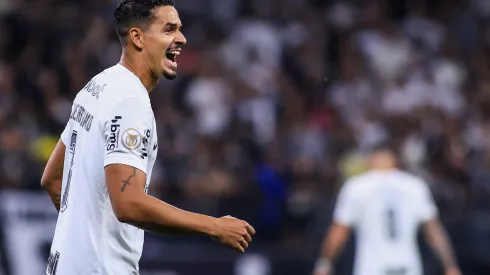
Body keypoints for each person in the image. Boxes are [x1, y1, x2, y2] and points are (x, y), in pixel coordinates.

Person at [40, 1, 255, 274]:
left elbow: (52, 178)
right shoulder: (130, 103)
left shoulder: (97, 86)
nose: (181, 38)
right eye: (169, 30)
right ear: (137, 37)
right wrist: (213, 226)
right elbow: (128, 203)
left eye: (179, 29)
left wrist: (85, 237)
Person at [313, 144, 461, 275]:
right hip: (408, 268)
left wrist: (324, 264)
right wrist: (450, 265)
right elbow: (433, 231)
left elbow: (338, 233)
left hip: (371, 269)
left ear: (370, 160)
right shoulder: (414, 186)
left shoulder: (357, 186)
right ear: (395, 161)